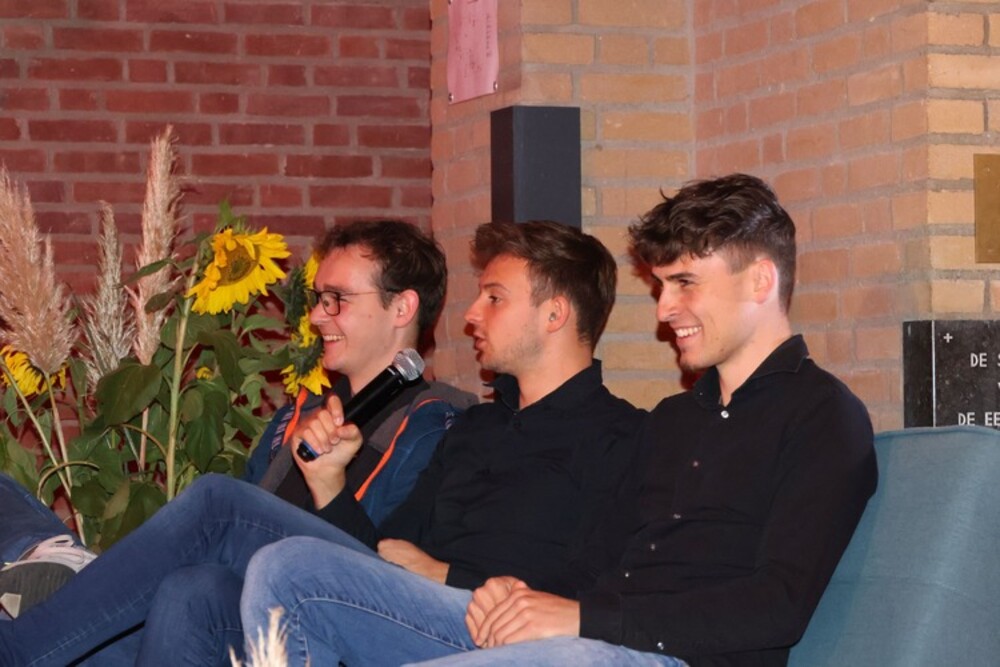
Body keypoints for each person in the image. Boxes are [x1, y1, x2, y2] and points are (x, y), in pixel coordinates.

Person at [243, 174, 878, 667]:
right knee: (289, 568)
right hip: (592, 643)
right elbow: (597, 562)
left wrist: (578, 619)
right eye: (661, 286)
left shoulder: (823, 416)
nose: (665, 309)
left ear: (760, 281)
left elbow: (777, 606)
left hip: (664, 656)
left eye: (684, 283)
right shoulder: (673, 421)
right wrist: (513, 595)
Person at [0, 220, 643, 667]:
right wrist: (332, 485)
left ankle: (21, 648)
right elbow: (386, 552)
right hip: (397, 599)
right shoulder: (480, 428)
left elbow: (591, 584)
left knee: (221, 506)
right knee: (193, 589)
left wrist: (449, 574)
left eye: (494, 298)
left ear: (555, 314)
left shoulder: (623, 437)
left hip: (478, 620)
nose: (472, 314)